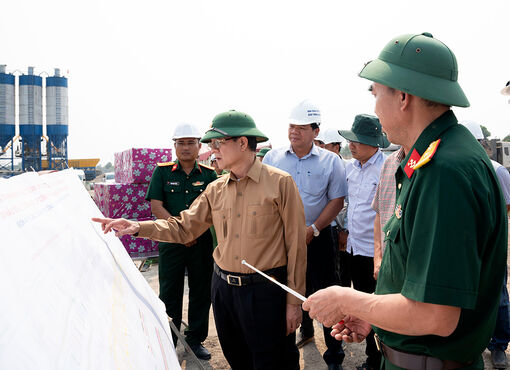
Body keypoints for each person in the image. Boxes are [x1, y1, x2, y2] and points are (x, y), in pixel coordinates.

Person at [303, 32, 508, 369]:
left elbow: (436, 315)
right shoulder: (429, 159)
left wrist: (349, 299)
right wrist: (377, 314)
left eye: (376, 93)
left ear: (402, 96)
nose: (374, 107)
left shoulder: (445, 171)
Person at [93, 110, 306, 370]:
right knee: (238, 358)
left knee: (273, 362)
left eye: (218, 143)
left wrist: (294, 303)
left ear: (242, 143)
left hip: (265, 292)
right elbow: (183, 227)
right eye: (210, 144)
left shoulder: (280, 184)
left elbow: (296, 246)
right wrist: (137, 226)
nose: (212, 150)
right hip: (224, 290)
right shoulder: (215, 189)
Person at [263, 99, 347, 370]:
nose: (294, 132)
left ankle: (334, 356)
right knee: (288, 290)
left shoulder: (332, 161)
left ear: (316, 132)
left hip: (319, 237)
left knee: (326, 292)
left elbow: (336, 200)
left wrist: (313, 229)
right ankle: (301, 335)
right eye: (291, 126)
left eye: (301, 127)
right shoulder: (272, 158)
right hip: (281, 239)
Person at [145, 123, 217, 359]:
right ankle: (169, 340)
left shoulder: (209, 174)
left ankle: (195, 340)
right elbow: (157, 206)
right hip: (170, 243)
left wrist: (192, 233)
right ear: (174, 146)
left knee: (200, 291)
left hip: (201, 243)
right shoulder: (163, 172)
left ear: (199, 145)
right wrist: (180, 233)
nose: (185, 147)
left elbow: (214, 210)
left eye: (190, 142)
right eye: (181, 143)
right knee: (169, 292)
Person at [337, 114, 389, 370]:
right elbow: (347, 205)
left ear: (375, 143)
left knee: (376, 309)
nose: (352, 145)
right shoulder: (349, 168)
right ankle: (370, 355)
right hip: (351, 249)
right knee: (358, 305)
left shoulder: (387, 169)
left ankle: (378, 359)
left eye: (358, 141)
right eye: (351, 140)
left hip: (374, 254)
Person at [462, 120, 510, 369]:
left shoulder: (497, 170)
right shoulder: (455, 169)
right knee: (469, 297)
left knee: (498, 295)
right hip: (465, 246)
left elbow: (506, 209)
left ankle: (499, 345)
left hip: (490, 245)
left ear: (482, 144)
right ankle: (474, 344)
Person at [371, 146, 405, 281]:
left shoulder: (434, 163)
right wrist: (378, 259)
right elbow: (379, 213)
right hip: (387, 267)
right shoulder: (390, 163)